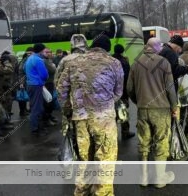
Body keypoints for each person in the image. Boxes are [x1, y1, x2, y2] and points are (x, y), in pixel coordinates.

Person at [57, 34, 123, 195]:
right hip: (104, 118)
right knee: (105, 156)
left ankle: (82, 190)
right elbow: (118, 92)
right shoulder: (114, 63)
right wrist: (105, 103)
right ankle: (102, 192)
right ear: (107, 49)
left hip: (80, 117)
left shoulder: (73, 62)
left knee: (84, 157)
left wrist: (68, 109)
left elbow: (61, 89)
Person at [127, 38, 177, 188]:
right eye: (160, 45)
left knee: (144, 142)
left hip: (143, 110)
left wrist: (139, 102)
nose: (162, 47)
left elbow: (129, 88)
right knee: (161, 142)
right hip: (161, 110)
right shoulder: (164, 62)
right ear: (155, 47)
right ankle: (160, 178)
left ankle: (144, 177)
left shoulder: (136, 63)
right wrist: (174, 106)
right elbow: (170, 88)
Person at [25, 43, 49, 136]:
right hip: (36, 86)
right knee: (37, 108)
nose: (45, 52)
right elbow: (44, 75)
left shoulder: (29, 58)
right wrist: (44, 78)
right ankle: (36, 129)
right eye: (44, 50)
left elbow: (24, 69)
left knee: (34, 106)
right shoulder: (38, 60)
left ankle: (36, 127)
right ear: (41, 50)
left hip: (30, 85)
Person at [113, 44, 135, 140]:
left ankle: (113, 134)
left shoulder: (110, 61)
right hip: (122, 92)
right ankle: (125, 132)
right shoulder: (124, 62)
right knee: (123, 111)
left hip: (111, 93)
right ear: (122, 51)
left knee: (112, 113)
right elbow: (127, 78)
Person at [42, 48, 58, 126]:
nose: (49, 53)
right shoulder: (44, 61)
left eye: (50, 52)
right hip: (46, 84)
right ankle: (46, 119)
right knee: (47, 102)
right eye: (47, 52)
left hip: (50, 83)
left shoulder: (49, 60)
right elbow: (53, 70)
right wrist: (54, 66)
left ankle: (49, 116)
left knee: (50, 101)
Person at [18, 47, 34, 117]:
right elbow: (21, 72)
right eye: (28, 53)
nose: (29, 55)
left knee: (28, 97)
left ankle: (27, 110)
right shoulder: (25, 60)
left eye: (30, 53)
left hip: (32, 82)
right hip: (27, 82)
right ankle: (24, 111)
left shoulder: (34, 59)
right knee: (26, 96)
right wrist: (21, 83)